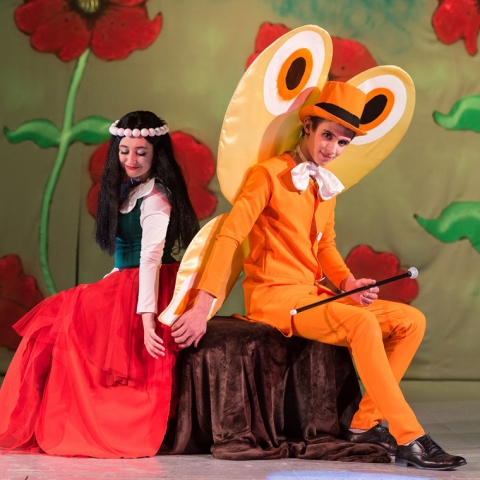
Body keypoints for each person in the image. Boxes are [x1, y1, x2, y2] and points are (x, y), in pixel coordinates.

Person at [171, 82, 467, 470]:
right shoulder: (267, 175)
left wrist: (347, 284)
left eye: (343, 142)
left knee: (411, 321)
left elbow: (326, 246)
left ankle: (363, 424)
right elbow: (230, 237)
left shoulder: (324, 184)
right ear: (308, 126)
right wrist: (202, 305)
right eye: (328, 136)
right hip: (274, 299)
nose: (333, 149)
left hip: (312, 294)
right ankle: (409, 435)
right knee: (362, 324)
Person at [0, 111, 199, 458]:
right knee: (57, 324)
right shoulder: (127, 190)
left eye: (141, 152)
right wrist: (109, 283)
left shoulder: (156, 197)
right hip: (126, 282)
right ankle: (58, 418)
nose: (131, 159)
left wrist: (148, 318)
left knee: (62, 321)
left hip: (149, 287)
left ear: (156, 154)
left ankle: (94, 423)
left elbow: (150, 259)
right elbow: (125, 257)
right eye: (124, 151)